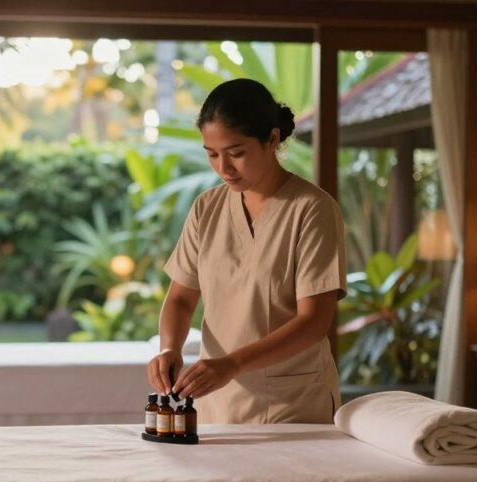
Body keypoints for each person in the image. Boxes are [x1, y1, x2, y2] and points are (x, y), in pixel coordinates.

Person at [146, 78, 347, 424]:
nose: (223, 168)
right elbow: (180, 298)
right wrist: (169, 348)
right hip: (215, 401)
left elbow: (314, 321)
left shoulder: (312, 209)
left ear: (271, 139)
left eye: (236, 153)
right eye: (212, 154)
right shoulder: (206, 208)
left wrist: (233, 363)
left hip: (291, 404)